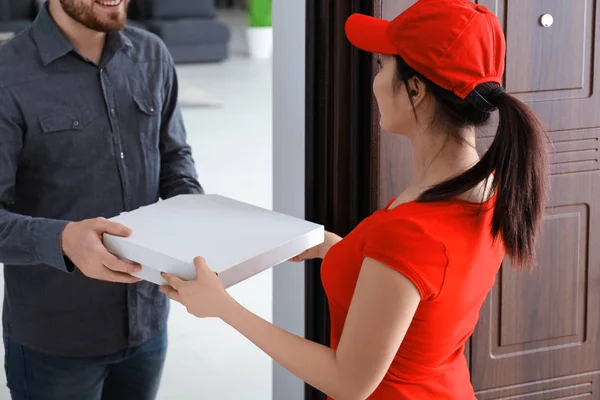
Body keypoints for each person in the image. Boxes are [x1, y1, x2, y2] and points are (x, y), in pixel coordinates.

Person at [161, 0, 549, 399]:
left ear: (415, 90)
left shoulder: (411, 229)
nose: (376, 81)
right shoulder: (488, 190)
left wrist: (223, 306)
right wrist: (335, 249)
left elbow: (349, 383)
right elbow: (420, 296)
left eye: (383, 67)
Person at [0, 0, 203, 398]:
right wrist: (62, 241)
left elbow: (174, 156)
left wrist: (194, 215)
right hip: (55, 340)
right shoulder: (7, 75)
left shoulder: (152, 54)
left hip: (146, 325)